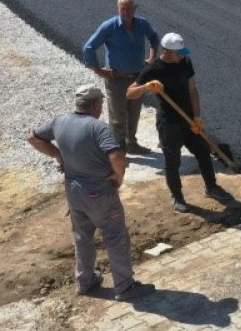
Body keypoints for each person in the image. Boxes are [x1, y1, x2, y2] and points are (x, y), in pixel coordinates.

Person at [27, 85, 155, 302]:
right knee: (115, 236)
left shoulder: (60, 121)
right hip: (99, 192)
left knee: (82, 236)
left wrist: (60, 156)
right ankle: (125, 287)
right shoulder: (98, 128)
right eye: (101, 103)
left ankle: (85, 282)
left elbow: (32, 137)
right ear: (96, 104)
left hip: (73, 190)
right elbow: (116, 156)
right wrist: (119, 177)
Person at [128, 32, 232, 212]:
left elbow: (193, 90)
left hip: (190, 120)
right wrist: (146, 87)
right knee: (172, 161)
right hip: (169, 123)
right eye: (179, 53)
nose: (182, 55)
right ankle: (178, 197)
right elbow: (129, 93)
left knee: (203, 152)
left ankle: (212, 188)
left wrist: (197, 116)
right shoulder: (154, 70)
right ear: (167, 52)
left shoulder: (185, 62)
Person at [82, 0, 159, 154]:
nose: (126, 12)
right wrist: (99, 70)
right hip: (117, 80)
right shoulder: (109, 26)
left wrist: (152, 58)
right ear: (118, 9)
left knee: (134, 113)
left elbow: (154, 37)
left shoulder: (142, 24)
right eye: (123, 9)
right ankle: (118, 150)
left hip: (137, 78)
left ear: (135, 8)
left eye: (129, 8)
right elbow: (89, 47)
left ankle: (131, 143)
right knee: (117, 117)